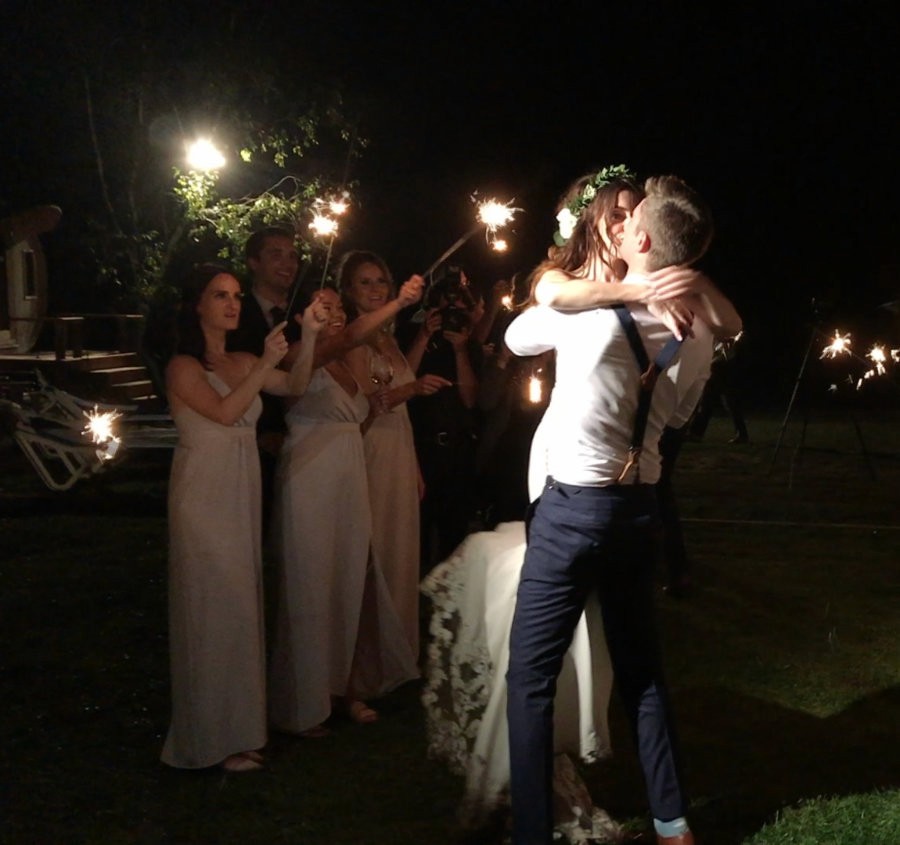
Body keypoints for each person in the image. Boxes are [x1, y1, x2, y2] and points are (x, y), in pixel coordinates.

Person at [505, 173, 719, 845]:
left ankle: (533, 832)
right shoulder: (701, 329)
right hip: (640, 507)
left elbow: (515, 339)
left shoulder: (584, 313)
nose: (619, 226)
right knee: (643, 672)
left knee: (530, 676)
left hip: (573, 509)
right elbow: (681, 411)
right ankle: (673, 821)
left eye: (630, 222)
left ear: (645, 237)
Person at [161, 263, 324, 772]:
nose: (232, 304)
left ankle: (240, 729)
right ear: (197, 305)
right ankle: (207, 737)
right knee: (211, 606)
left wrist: (310, 335)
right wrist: (262, 367)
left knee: (240, 605)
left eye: (235, 295)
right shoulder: (183, 366)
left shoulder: (244, 357)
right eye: (219, 295)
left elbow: (295, 386)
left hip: (241, 487)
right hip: (203, 492)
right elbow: (227, 412)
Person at [269, 276, 425, 737]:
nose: (335, 314)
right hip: (310, 478)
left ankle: (343, 688)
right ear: (300, 316)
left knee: (349, 580)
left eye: (337, 308)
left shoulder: (346, 363)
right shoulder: (302, 355)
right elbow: (354, 334)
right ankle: (304, 701)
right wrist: (398, 302)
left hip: (348, 474)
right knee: (311, 584)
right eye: (323, 306)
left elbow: (369, 407)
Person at [339, 250, 451, 659]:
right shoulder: (352, 337)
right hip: (371, 450)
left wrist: (421, 341)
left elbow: (401, 383)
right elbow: (360, 405)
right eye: (365, 283)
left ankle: (395, 651)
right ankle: (366, 657)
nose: (374, 289)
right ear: (349, 290)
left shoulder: (386, 337)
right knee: (375, 552)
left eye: (380, 282)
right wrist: (411, 389)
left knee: (401, 552)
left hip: (399, 449)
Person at [400, 264, 484, 571]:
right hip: (420, 449)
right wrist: (424, 335)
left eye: (458, 309)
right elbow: (402, 380)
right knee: (415, 537)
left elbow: (471, 399)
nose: (451, 315)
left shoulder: (469, 347)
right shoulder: (414, 333)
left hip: (458, 453)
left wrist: (461, 350)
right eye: (445, 308)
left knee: (454, 538)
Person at [227, 226, 304, 527]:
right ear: (253, 262)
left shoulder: (305, 313)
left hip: (305, 436)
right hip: (253, 438)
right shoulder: (235, 314)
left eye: (293, 256)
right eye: (276, 255)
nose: (288, 264)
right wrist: (264, 432)